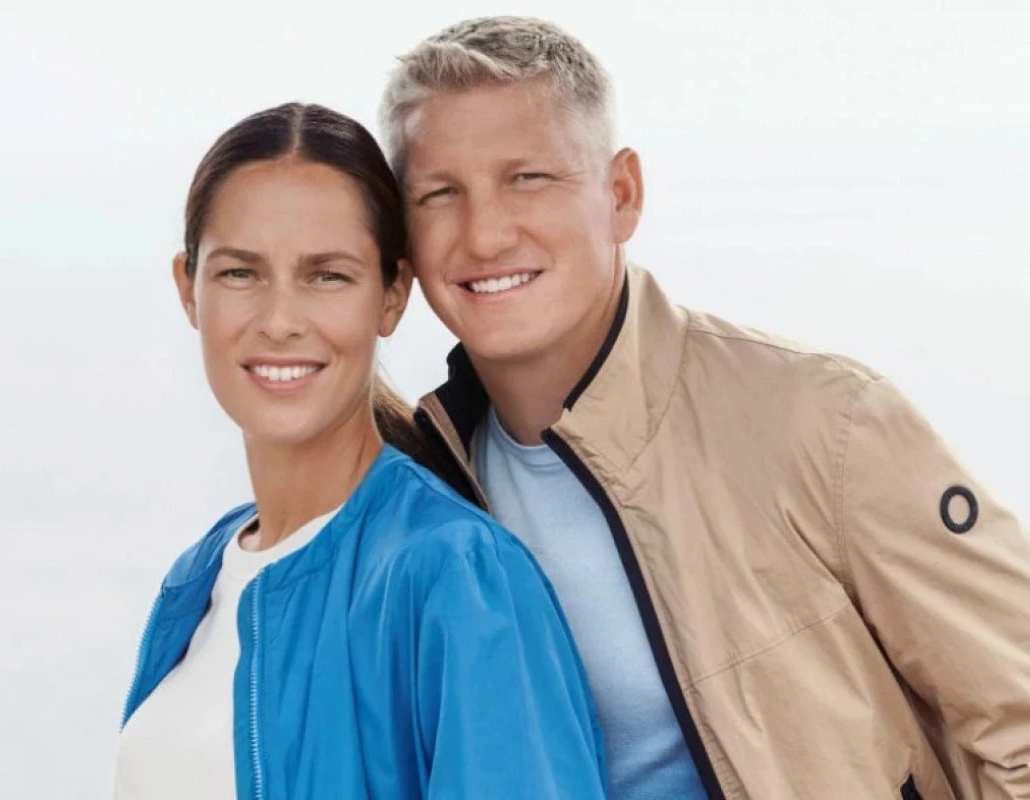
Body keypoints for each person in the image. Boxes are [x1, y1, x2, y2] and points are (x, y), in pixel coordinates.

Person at [380, 16, 1030, 800]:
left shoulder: (825, 423)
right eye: (440, 193)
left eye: (529, 178)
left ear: (622, 194)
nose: (484, 235)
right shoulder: (422, 489)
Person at [112, 102, 606, 799]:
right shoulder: (198, 579)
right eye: (240, 274)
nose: (280, 321)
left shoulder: (457, 574)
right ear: (188, 290)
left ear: (392, 295)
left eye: (328, 276)